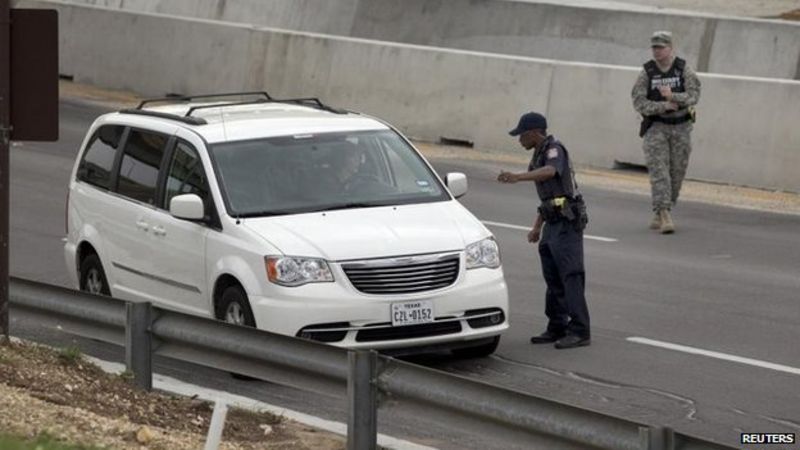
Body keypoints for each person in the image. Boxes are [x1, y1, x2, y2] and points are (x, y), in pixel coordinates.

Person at [497, 112, 591, 349]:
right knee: (552, 277)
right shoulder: (537, 155)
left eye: (521, 135)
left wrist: (518, 177)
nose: (519, 140)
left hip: (567, 222)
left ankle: (580, 330)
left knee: (571, 275)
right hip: (551, 222)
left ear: (534, 133)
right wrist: (536, 227)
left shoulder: (553, 150)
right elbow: (548, 196)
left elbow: (550, 172)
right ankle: (557, 326)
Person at [632, 30, 701, 234]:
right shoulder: (647, 72)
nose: (657, 51)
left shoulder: (683, 69)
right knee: (659, 172)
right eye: (654, 47)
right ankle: (664, 214)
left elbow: (694, 95)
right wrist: (662, 106)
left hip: (681, 128)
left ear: (671, 48)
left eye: (661, 47)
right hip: (657, 128)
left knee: (676, 175)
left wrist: (675, 97)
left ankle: (662, 209)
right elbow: (638, 101)